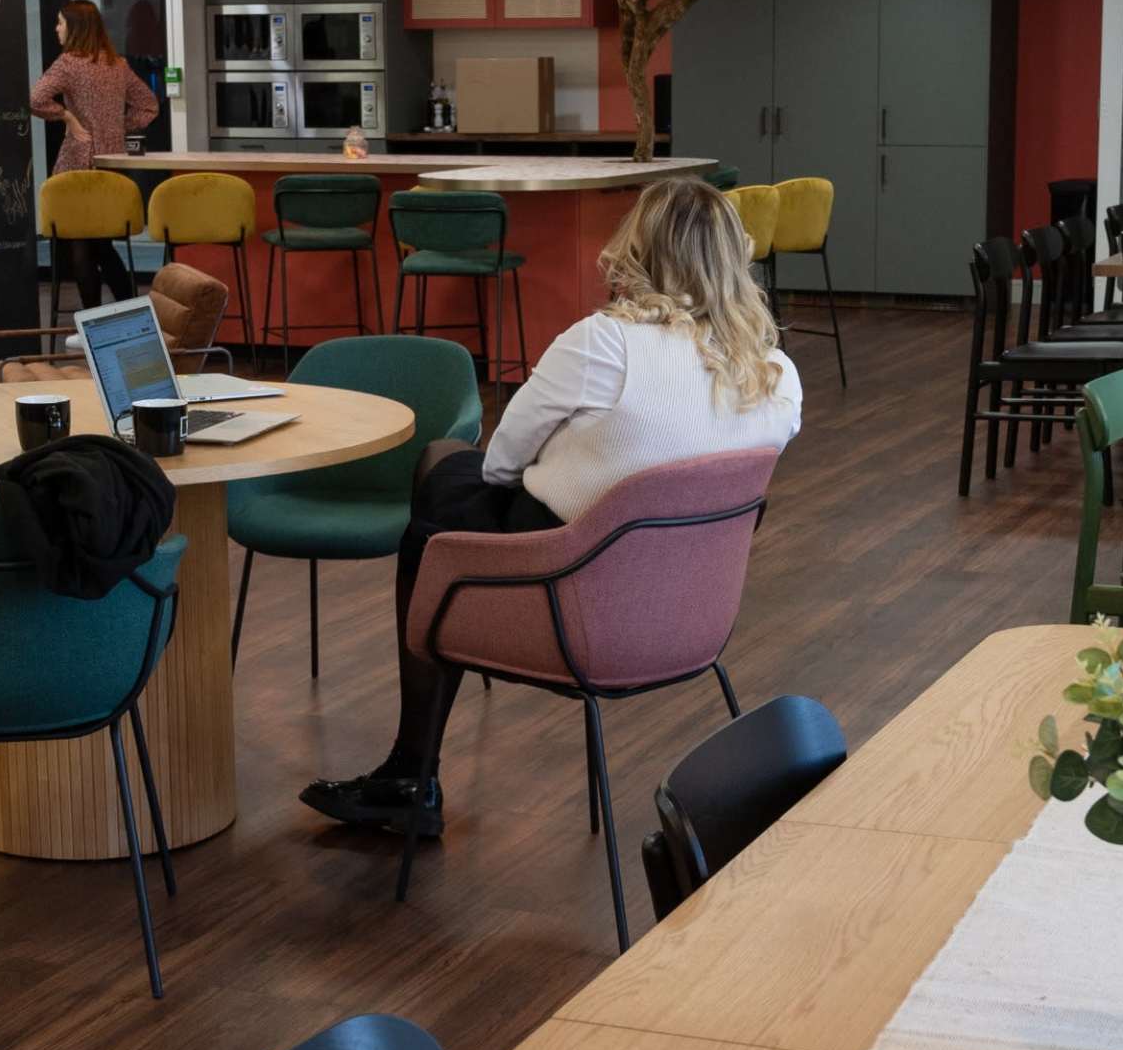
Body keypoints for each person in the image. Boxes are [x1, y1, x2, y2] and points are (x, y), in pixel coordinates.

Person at [303, 176, 803, 842]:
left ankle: (411, 770)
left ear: (642, 248)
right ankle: (409, 769)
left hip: (572, 593)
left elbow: (503, 461)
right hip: (690, 612)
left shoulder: (603, 343)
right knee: (447, 486)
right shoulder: (775, 374)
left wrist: (574, 459)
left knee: (439, 473)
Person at [29, 0, 157, 174]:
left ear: (75, 28)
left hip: (80, 157)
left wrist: (67, 117)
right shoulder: (118, 64)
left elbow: (34, 100)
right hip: (115, 157)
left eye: (60, 23)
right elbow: (148, 105)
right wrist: (120, 127)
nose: (57, 28)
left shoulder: (68, 63)